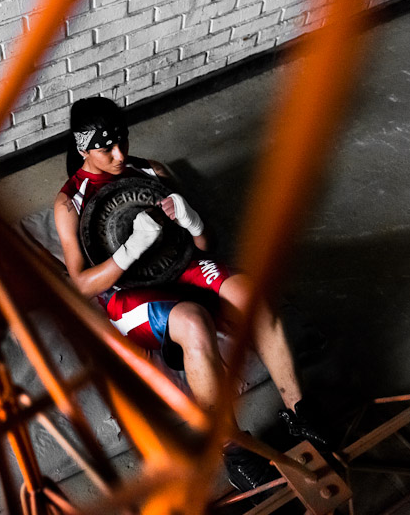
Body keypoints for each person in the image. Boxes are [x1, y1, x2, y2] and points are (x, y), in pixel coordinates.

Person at [53, 96, 329, 492]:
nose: (118, 154)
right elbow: (81, 284)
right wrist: (130, 251)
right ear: (83, 148)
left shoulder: (151, 171)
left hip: (180, 268)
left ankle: (301, 412)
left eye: (122, 141)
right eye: (105, 146)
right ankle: (235, 453)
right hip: (127, 295)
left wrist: (193, 220)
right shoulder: (69, 203)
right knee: (194, 323)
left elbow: (203, 244)